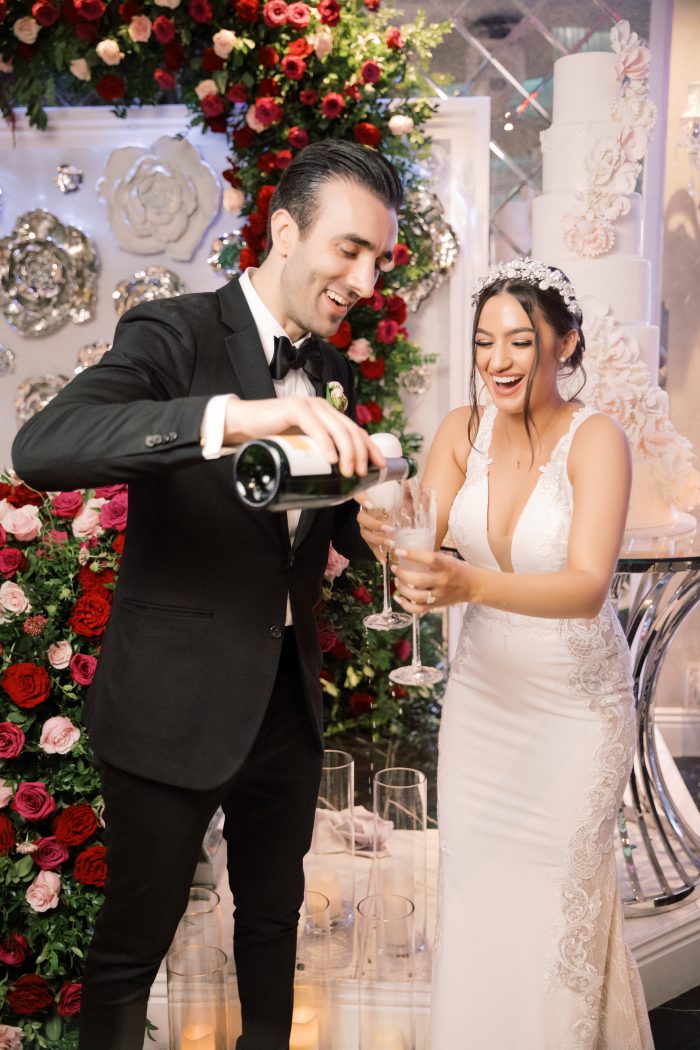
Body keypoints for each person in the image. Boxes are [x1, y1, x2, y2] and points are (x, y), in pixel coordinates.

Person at [11, 140, 402, 1050]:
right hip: (172, 704)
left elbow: (305, 527)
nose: (366, 277)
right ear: (282, 230)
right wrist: (238, 417)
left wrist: (369, 524)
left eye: (379, 259)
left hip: (284, 709)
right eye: (350, 249)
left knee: (271, 932)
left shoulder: (335, 372)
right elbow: (44, 446)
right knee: (128, 955)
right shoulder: (177, 331)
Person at [359, 258, 654, 1049]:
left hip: (574, 713)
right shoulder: (461, 430)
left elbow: (588, 586)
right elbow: (427, 556)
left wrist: (466, 584)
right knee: (478, 904)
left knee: (556, 917)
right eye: (485, 341)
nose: (499, 360)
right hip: (484, 706)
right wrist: (391, 544)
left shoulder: (599, 441)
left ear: (565, 344)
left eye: (521, 341)